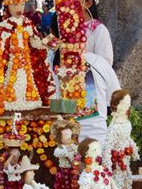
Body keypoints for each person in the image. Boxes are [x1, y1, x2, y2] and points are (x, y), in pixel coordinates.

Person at [50, 15, 120, 144]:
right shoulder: (97, 62)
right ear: (81, 33)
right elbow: (117, 99)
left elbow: (51, 102)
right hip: (97, 142)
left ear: (53, 34)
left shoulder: (51, 64)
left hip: (63, 142)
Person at [76, 0, 114, 66]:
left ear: (88, 3)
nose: (69, 2)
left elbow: (105, 62)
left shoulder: (99, 30)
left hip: (90, 77)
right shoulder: (64, 27)